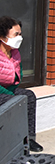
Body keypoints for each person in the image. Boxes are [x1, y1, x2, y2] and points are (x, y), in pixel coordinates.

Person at [0, 16, 42, 152]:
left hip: (8, 90)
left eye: (20, 34)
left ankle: (29, 139)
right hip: (2, 91)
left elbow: (18, 74)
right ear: (3, 36)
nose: (20, 37)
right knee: (15, 101)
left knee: (29, 96)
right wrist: (9, 93)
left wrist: (12, 90)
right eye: (16, 34)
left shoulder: (15, 53)